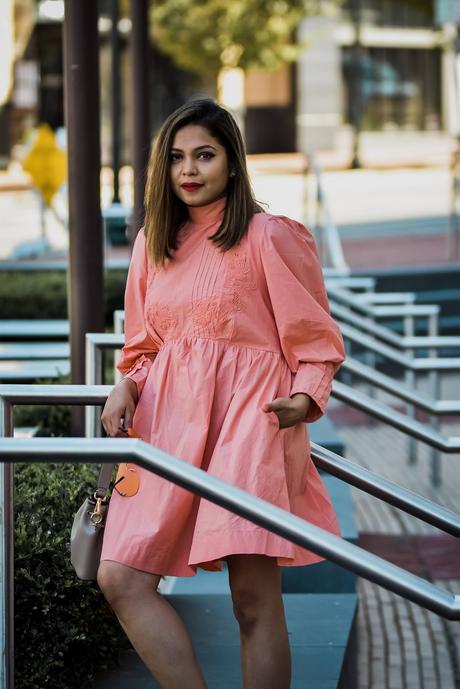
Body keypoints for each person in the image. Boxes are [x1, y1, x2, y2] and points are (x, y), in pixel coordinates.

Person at [98, 98, 345, 689]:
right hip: (165, 425)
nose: (190, 169)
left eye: (204, 155)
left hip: (248, 425)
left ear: (232, 162)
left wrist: (305, 398)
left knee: (252, 600)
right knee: (119, 577)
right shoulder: (154, 243)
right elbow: (144, 344)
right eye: (178, 158)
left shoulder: (268, 236)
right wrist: (125, 382)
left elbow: (315, 340)